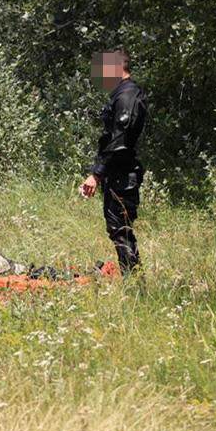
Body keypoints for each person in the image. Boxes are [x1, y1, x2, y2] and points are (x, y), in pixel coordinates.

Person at [79, 49, 147, 274]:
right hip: (117, 174)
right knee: (117, 228)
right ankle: (132, 281)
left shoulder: (127, 96)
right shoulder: (121, 94)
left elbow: (119, 141)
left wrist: (96, 174)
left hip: (122, 175)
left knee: (120, 230)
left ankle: (134, 284)